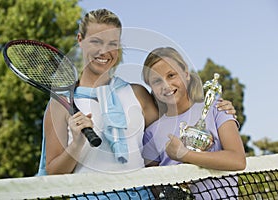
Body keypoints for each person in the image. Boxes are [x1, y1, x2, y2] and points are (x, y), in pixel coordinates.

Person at [37, 8, 238, 199]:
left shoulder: (137, 94)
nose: (104, 51)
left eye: (112, 43)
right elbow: (54, 174)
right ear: (80, 41)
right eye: (96, 41)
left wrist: (213, 112)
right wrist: (77, 144)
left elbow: (170, 127)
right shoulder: (61, 104)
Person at [141, 47, 246, 199]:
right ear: (150, 86)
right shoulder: (151, 133)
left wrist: (185, 155)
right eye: (157, 81)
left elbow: (237, 160)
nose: (166, 85)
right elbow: (155, 186)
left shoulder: (217, 109)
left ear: (186, 75)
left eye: (171, 75)